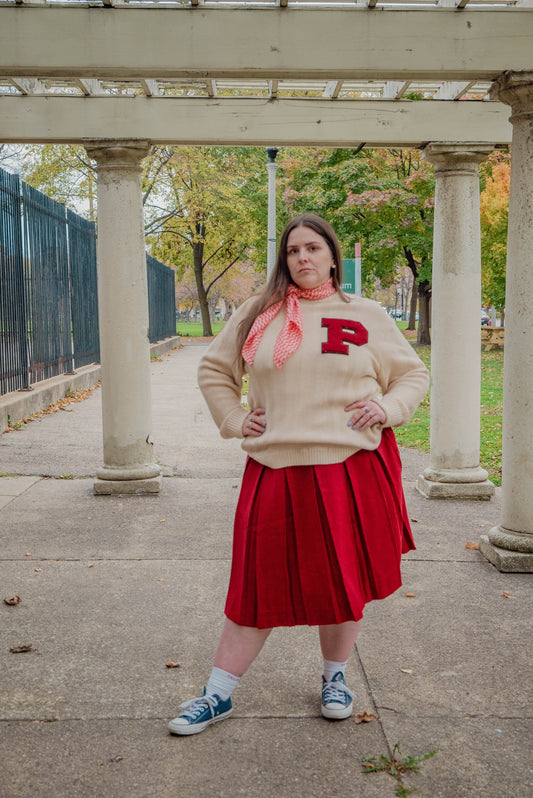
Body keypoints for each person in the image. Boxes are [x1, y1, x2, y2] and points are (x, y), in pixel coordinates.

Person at [168, 213, 429, 736]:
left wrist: (389, 408)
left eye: (313, 248)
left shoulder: (367, 313)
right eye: (293, 251)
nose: (303, 258)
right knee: (256, 584)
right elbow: (214, 371)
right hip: (274, 465)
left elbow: (411, 374)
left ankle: (335, 678)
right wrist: (235, 418)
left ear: (333, 255)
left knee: (343, 580)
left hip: (351, 466)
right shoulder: (257, 313)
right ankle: (217, 693)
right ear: (284, 260)